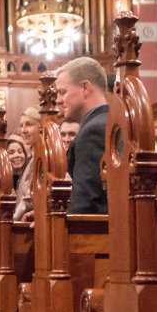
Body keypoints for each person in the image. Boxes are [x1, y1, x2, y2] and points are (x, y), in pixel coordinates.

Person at [55, 56, 109, 215]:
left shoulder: (93, 131)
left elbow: (86, 203)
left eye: (62, 92)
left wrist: (54, 222)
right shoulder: (109, 121)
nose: (57, 100)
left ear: (85, 88)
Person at [13, 107, 41, 222]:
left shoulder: (44, 157)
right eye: (22, 125)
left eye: (29, 124)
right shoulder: (32, 159)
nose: (23, 130)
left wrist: (13, 220)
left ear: (41, 126)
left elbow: (29, 198)